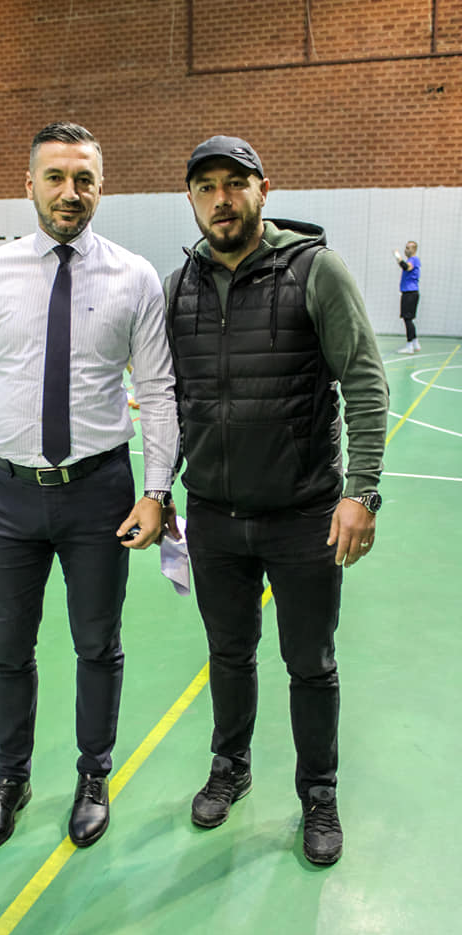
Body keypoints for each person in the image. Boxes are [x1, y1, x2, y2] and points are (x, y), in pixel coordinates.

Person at [0, 121, 179, 853]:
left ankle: (93, 776)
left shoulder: (134, 276)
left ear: (100, 188)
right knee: (7, 648)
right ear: (30, 185)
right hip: (5, 491)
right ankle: (9, 778)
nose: (69, 192)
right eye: (55, 177)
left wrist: (155, 490)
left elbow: (158, 391)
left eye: (83, 179)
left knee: (97, 644)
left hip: (99, 493)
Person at [164, 135, 389, 866]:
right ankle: (230, 766)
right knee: (228, 655)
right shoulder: (178, 286)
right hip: (214, 518)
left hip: (303, 517)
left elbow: (365, 381)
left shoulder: (315, 270)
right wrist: (160, 489)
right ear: (191, 199)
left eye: (235, 183)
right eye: (206, 187)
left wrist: (362, 491)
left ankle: (318, 792)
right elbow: (167, 398)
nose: (221, 199)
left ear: (264, 189)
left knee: (310, 663)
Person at [393, 241, 421, 354]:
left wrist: (397, 257)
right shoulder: (411, 260)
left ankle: (409, 346)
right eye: (405, 248)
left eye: (408, 248)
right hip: (408, 293)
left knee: (407, 319)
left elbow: (406, 267)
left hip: (410, 294)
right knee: (408, 319)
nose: (406, 250)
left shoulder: (414, 260)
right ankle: (415, 343)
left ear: (414, 250)